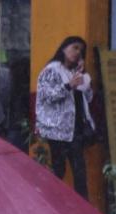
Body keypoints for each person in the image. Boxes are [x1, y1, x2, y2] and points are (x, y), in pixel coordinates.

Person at [35, 36, 96, 200]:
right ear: (64, 48)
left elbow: (88, 98)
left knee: (80, 173)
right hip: (57, 131)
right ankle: (54, 206)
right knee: (58, 171)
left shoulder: (75, 72)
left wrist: (85, 79)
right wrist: (68, 85)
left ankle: (83, 213)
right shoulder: (52, 70)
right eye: (75, 48)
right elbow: (46, 96)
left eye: (81, 51)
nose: (78, 53)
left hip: (74, 130)